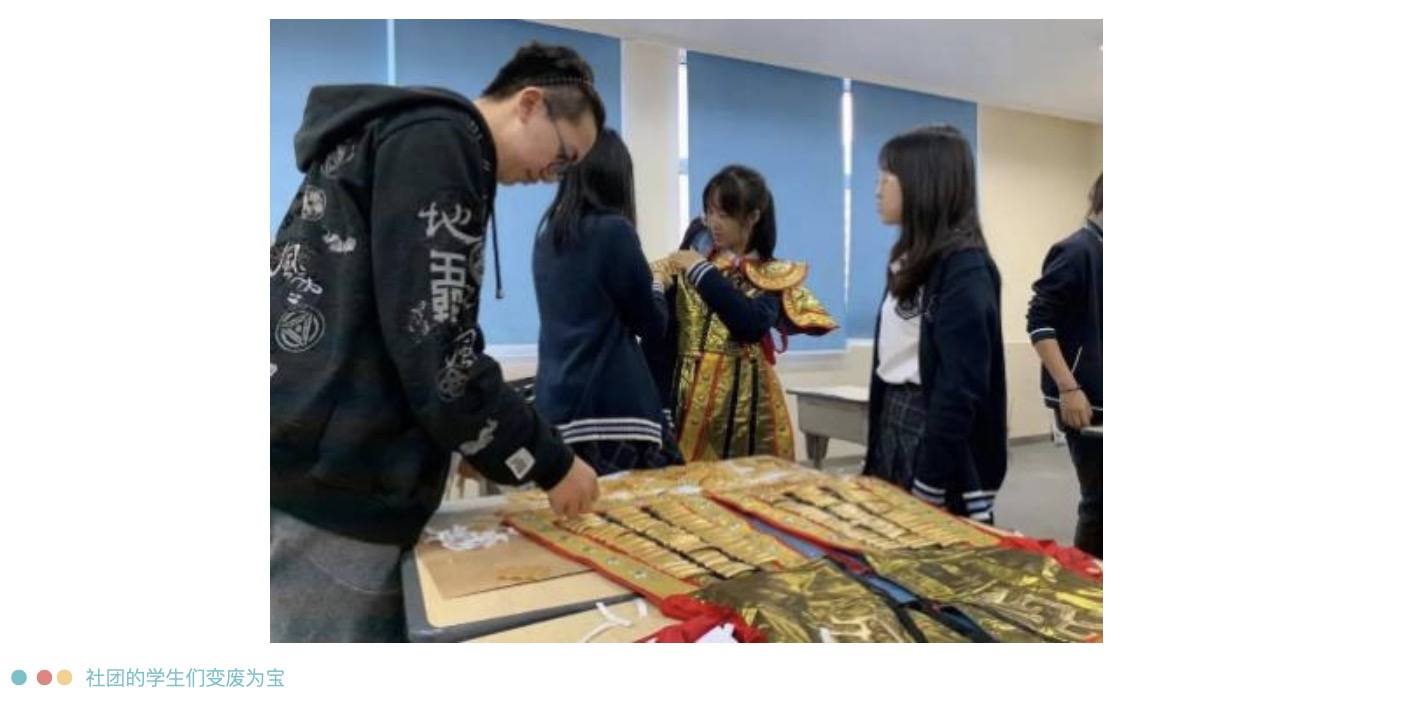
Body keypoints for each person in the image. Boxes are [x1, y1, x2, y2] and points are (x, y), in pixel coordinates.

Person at [270, 42, 605, 642]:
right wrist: (551, 461)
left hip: (311, 455)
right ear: (530, 104)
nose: (551, 177)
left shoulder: (403, 135)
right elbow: (441, 359)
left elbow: (414, 332)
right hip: (338, 484)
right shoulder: (441, 142)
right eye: (561, 158)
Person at [862, 125, 1008, 523]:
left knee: (925, 547)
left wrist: (931, 482)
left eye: (886, 178)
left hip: (931, 432)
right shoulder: (909, 260)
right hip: (896, 416)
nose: (877, 190)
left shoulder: (964, 268)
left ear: (922, 184)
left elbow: (960, 387)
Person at [647, 165, 838, 461]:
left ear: (752, 217)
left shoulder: (770, 274)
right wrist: (658, 403)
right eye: (710, 212)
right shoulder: (687, 263)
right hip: (683, 397)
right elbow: (661, 337)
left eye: (724, 214)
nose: (714, 222)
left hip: (745, 406)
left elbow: (750, 324)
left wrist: (701, 270)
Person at [532, 128, 683, 475]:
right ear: (616, 178)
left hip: (556, 408)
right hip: (614, 410)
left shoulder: (547, 236)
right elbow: (653, 324)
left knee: (576, 509)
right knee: (653, 505)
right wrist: (657, 281)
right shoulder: (614, 230)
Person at [1027, 173, 1103, 558]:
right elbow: (1039, 323)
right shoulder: (1075, 251)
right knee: (1100, 502)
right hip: (1086, 400)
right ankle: (1085, 583)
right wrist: (1069, 388)